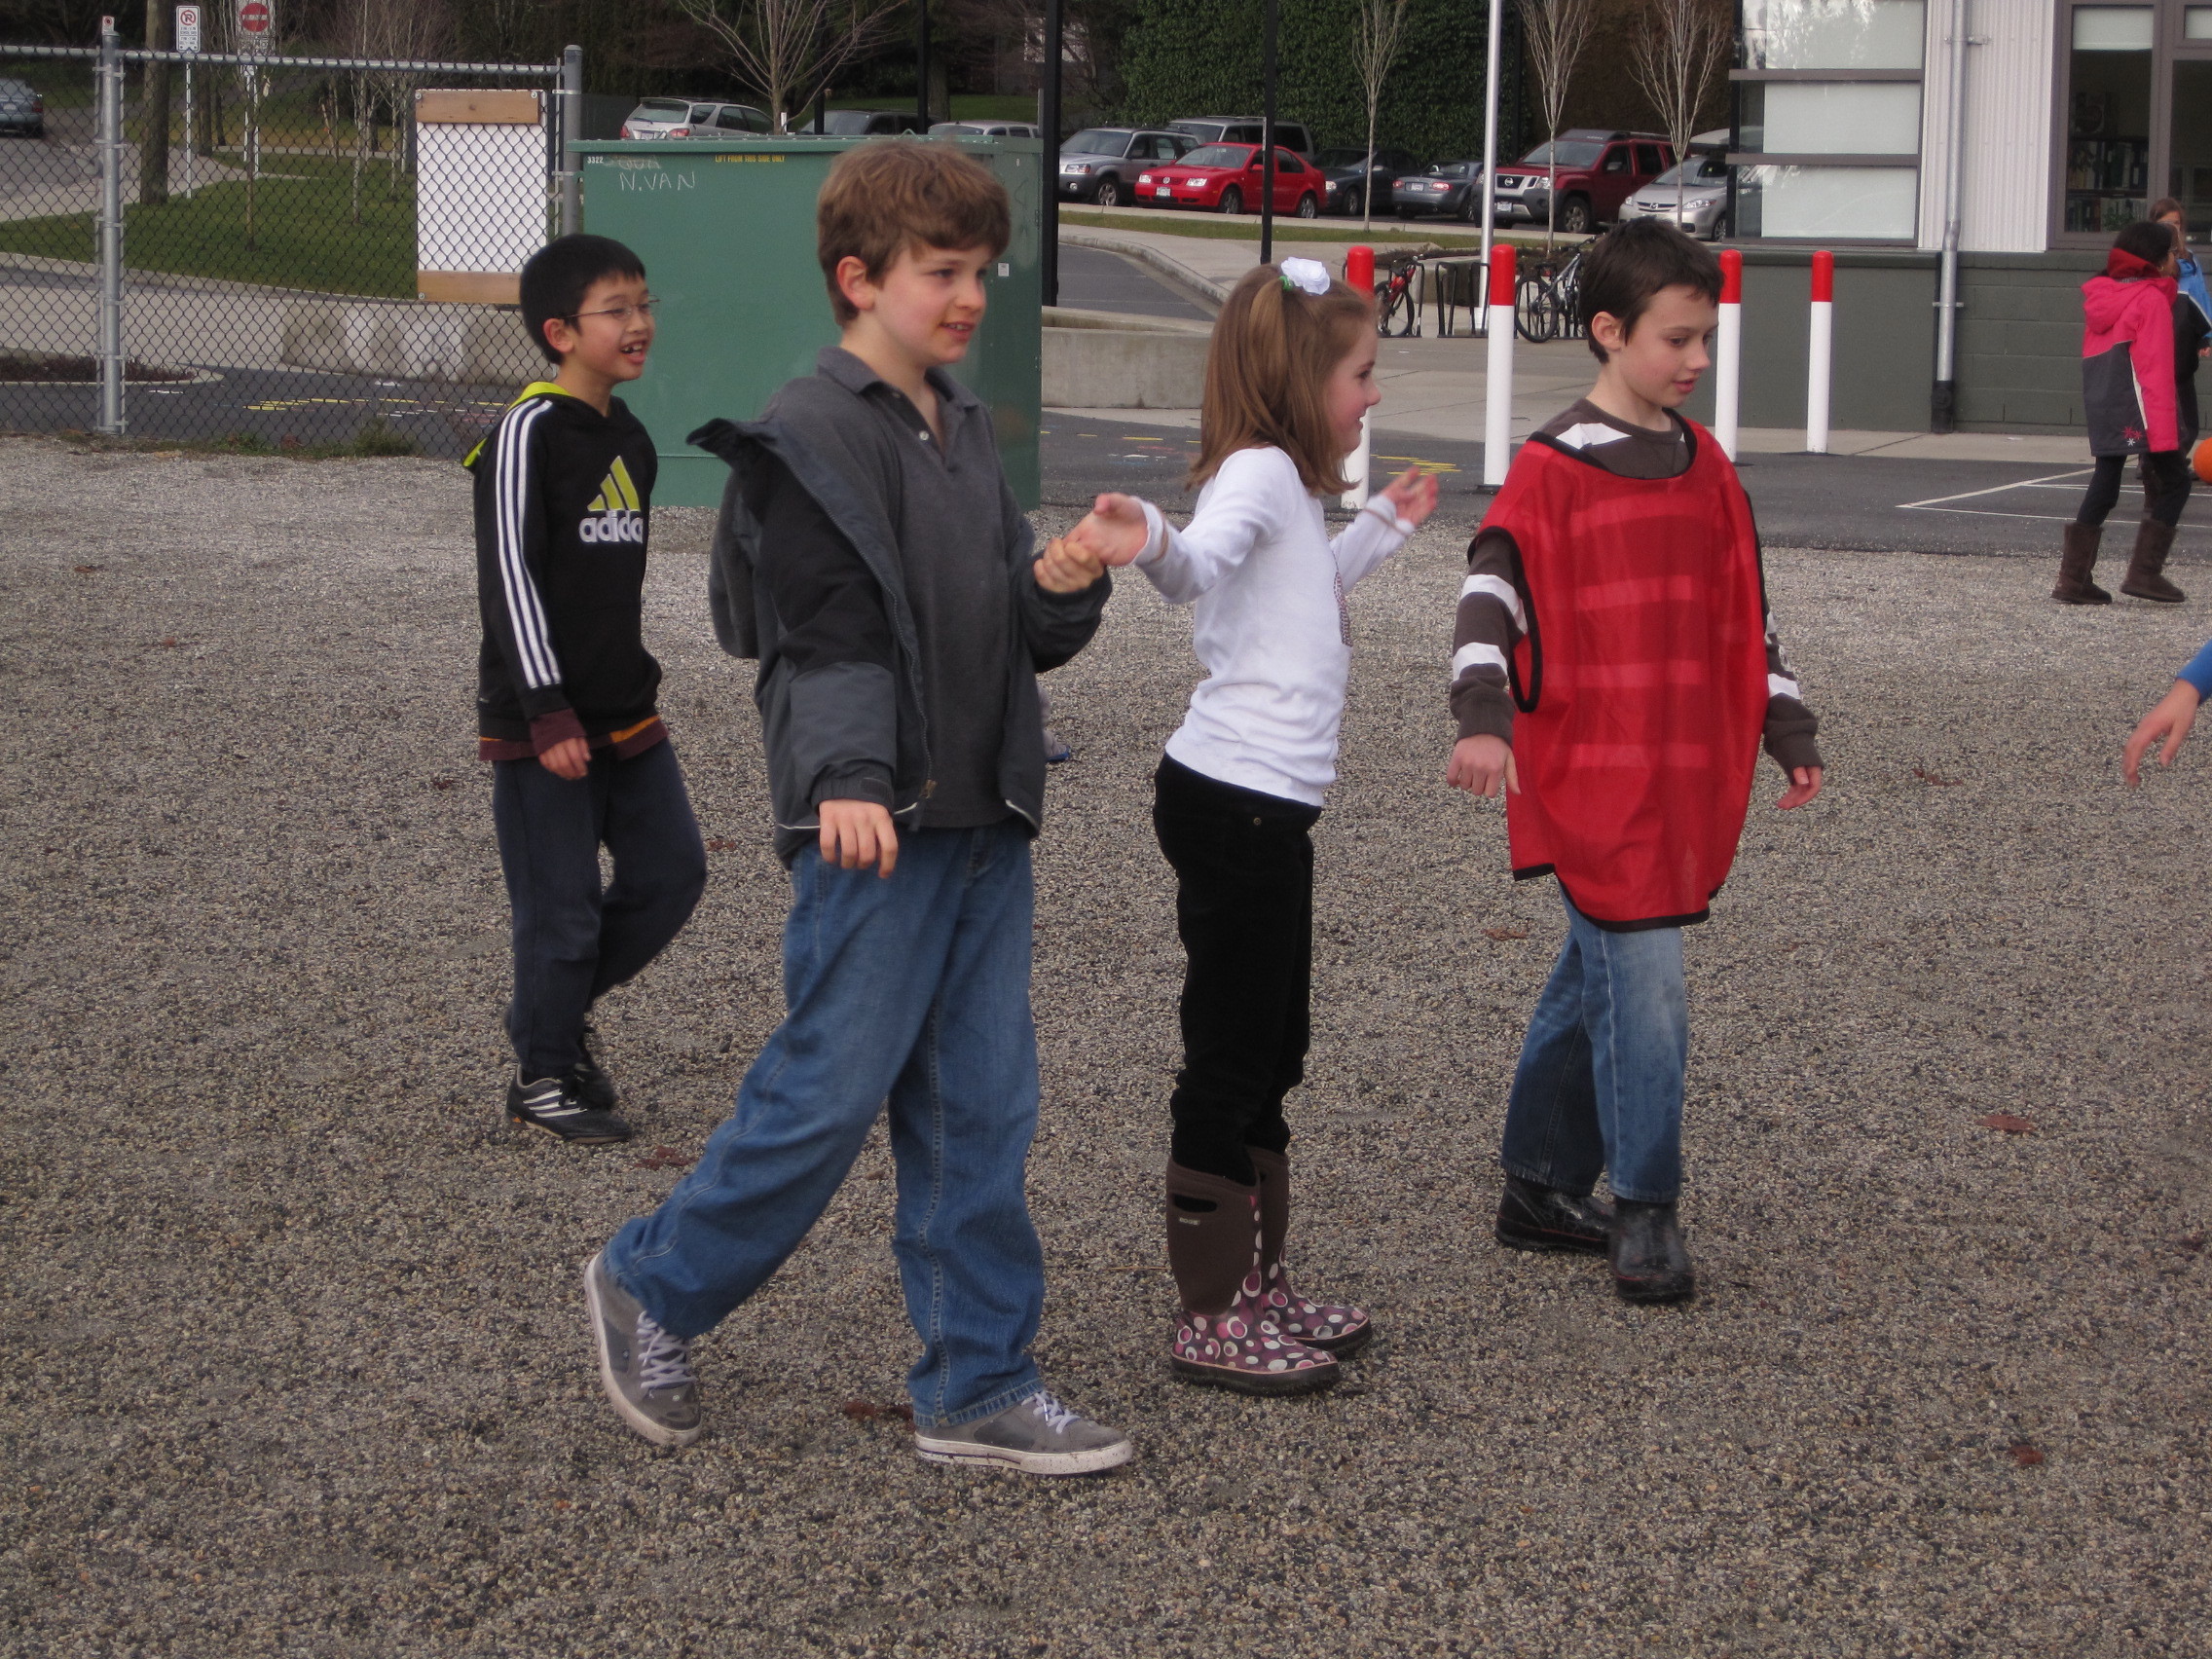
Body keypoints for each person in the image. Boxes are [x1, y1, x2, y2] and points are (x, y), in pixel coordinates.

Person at [583, 142, 1131, 1475]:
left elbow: (1011, 632)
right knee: (827, 1096)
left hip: (982, 820)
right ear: (858, 277)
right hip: (875, 826)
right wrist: (845, 781)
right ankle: (652, 1284)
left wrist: (1060, 578)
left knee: (982, 1108)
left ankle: (977, 1378)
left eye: (980, 272)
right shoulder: (811, 435)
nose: (968, 297)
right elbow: (823, 636)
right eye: (940, 272)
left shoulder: (959, 426)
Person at [1061, 257, 1440, 1394]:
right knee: (1230, 1051)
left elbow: (1291, 591)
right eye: (1360, 375)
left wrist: (1377, 527)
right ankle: (1210, 1312)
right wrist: (1149, 541)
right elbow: (1200, 570)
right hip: (1233, 802)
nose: (1372, 397)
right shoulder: (1258, 472)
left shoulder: (1286, 483)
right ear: (1296, 376)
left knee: (1278, 1045)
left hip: (1265, 808)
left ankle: (1257, 1286)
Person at [1442, 219, 1824, 1304]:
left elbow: (1743, 611)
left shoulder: (1706, 468)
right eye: (1678, 340)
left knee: (1597, 971)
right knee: (1645, 984)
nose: (1697, 360)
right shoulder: (1550, 470)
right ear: (1609, 332)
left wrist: (1783, 724)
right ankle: (1647, 1207)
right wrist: (1481, 716)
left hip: (1677, 772)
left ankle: (1539, 1185)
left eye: (1704, 339)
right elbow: (1489, 593)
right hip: (1592, 778)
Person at [469, 233, 707, 1146]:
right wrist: (545, 708)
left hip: (627, 714)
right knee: (560, 911)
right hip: (546, 722)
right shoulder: (526, 434)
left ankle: (548, 1015)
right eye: (619, 310)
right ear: (560, 331)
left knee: (671, 875)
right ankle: (544, 1071)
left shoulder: (630, 438)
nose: (641, 324)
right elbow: (511, 582)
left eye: (645, 304)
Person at [2055, 219, 2206, 607]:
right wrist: (2166, 428)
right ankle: (2144, 573)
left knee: (2106, 478)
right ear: (2155, 260)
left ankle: (2073, 579)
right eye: (2172, 253)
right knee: (2176, 481)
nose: (2176, 259)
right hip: (2140, 403)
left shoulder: (2102, 294)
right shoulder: (2152, 298)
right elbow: (2153, 368)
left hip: (2106, 399)